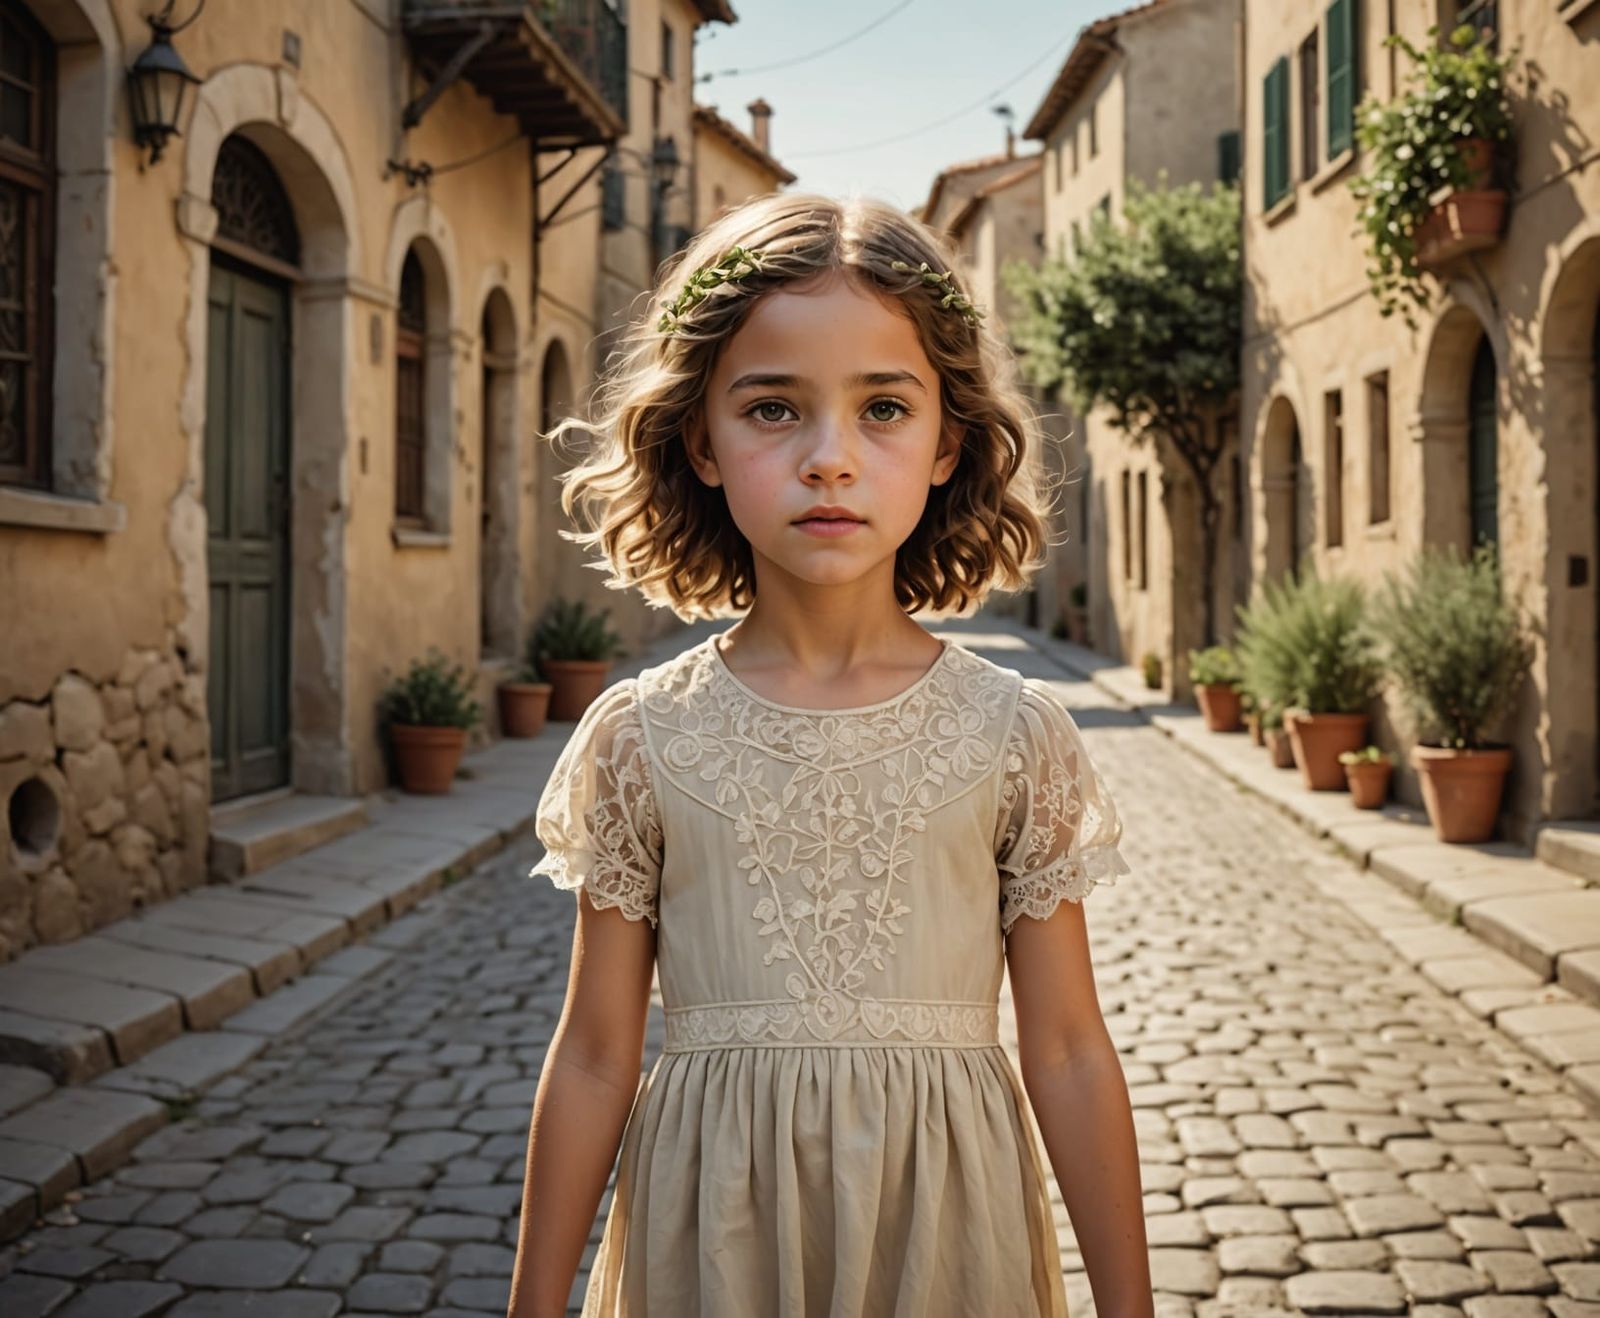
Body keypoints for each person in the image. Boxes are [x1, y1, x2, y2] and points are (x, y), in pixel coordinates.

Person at [507, 192, 1151, 1318]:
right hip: (710, 1239)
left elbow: (1065, 1049)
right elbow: (598, 1053)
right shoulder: (640, 737)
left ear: (948, 444)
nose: (829, 459)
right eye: (773, 409)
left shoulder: (1014, 734)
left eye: (883, 408)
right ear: (700, 443)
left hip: (947, 1237)